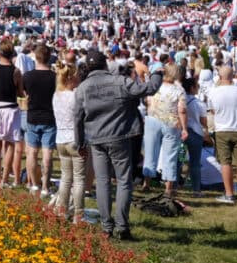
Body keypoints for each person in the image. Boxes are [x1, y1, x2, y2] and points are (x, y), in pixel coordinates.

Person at [74, 48, 163, 240]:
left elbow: (77, 118)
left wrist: (80, 143)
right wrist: (157, 73)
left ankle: (107, 227)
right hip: (119, 137)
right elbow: (149, 89)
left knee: (103, 182)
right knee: (124, 181)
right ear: (105, 64)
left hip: (96, 139)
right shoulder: (119, 81)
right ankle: (122, 226)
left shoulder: (82, 88)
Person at [141, 62, 188, 198]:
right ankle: (168, 187)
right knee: (170, 155)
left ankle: (147, 183)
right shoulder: (179, 90)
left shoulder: (155, 85)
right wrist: (184, 128)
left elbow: (147, 101)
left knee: (150, 152)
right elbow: (182, 110)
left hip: (153, 120)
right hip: (171, 122)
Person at [0, 39, 23, 188]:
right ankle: (5, 177)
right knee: (9, 144)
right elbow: (20, 92)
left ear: (0, 53)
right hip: (10, 108)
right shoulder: (15, 71)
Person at [23, 43, 58, 197]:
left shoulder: (28, 76)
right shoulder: (55, 77)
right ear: (49, 57)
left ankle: (35, 185)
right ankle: (45, 186)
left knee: (32, 152)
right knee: (47, 154)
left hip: (33, 116)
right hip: (49, 116)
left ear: (36, 57)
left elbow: (24, 95)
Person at [52, 60, 85, 222]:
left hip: (60, 139)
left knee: (66, 178)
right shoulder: (75, 96)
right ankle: (78, 215)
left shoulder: (56, 95)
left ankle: (61, 210)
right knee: (79, 180)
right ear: (71, 78)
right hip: (74, 138)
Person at [206, 65, 237, 204]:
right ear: (232, 76)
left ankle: (229, 194)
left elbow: (212, 111)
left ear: (220, 77)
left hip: (222, 129)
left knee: (225, 163)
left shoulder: (214, 92)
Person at [182, 75, 210, 197]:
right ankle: (196, 190)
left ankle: (173, 188)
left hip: (181, 133)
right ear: (192, 88)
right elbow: (204, 122)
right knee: (195, 163)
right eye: (197, 86)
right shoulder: (199, 103)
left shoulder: (180, 100)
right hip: (195, 133)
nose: (198, 88)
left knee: (178, 161)